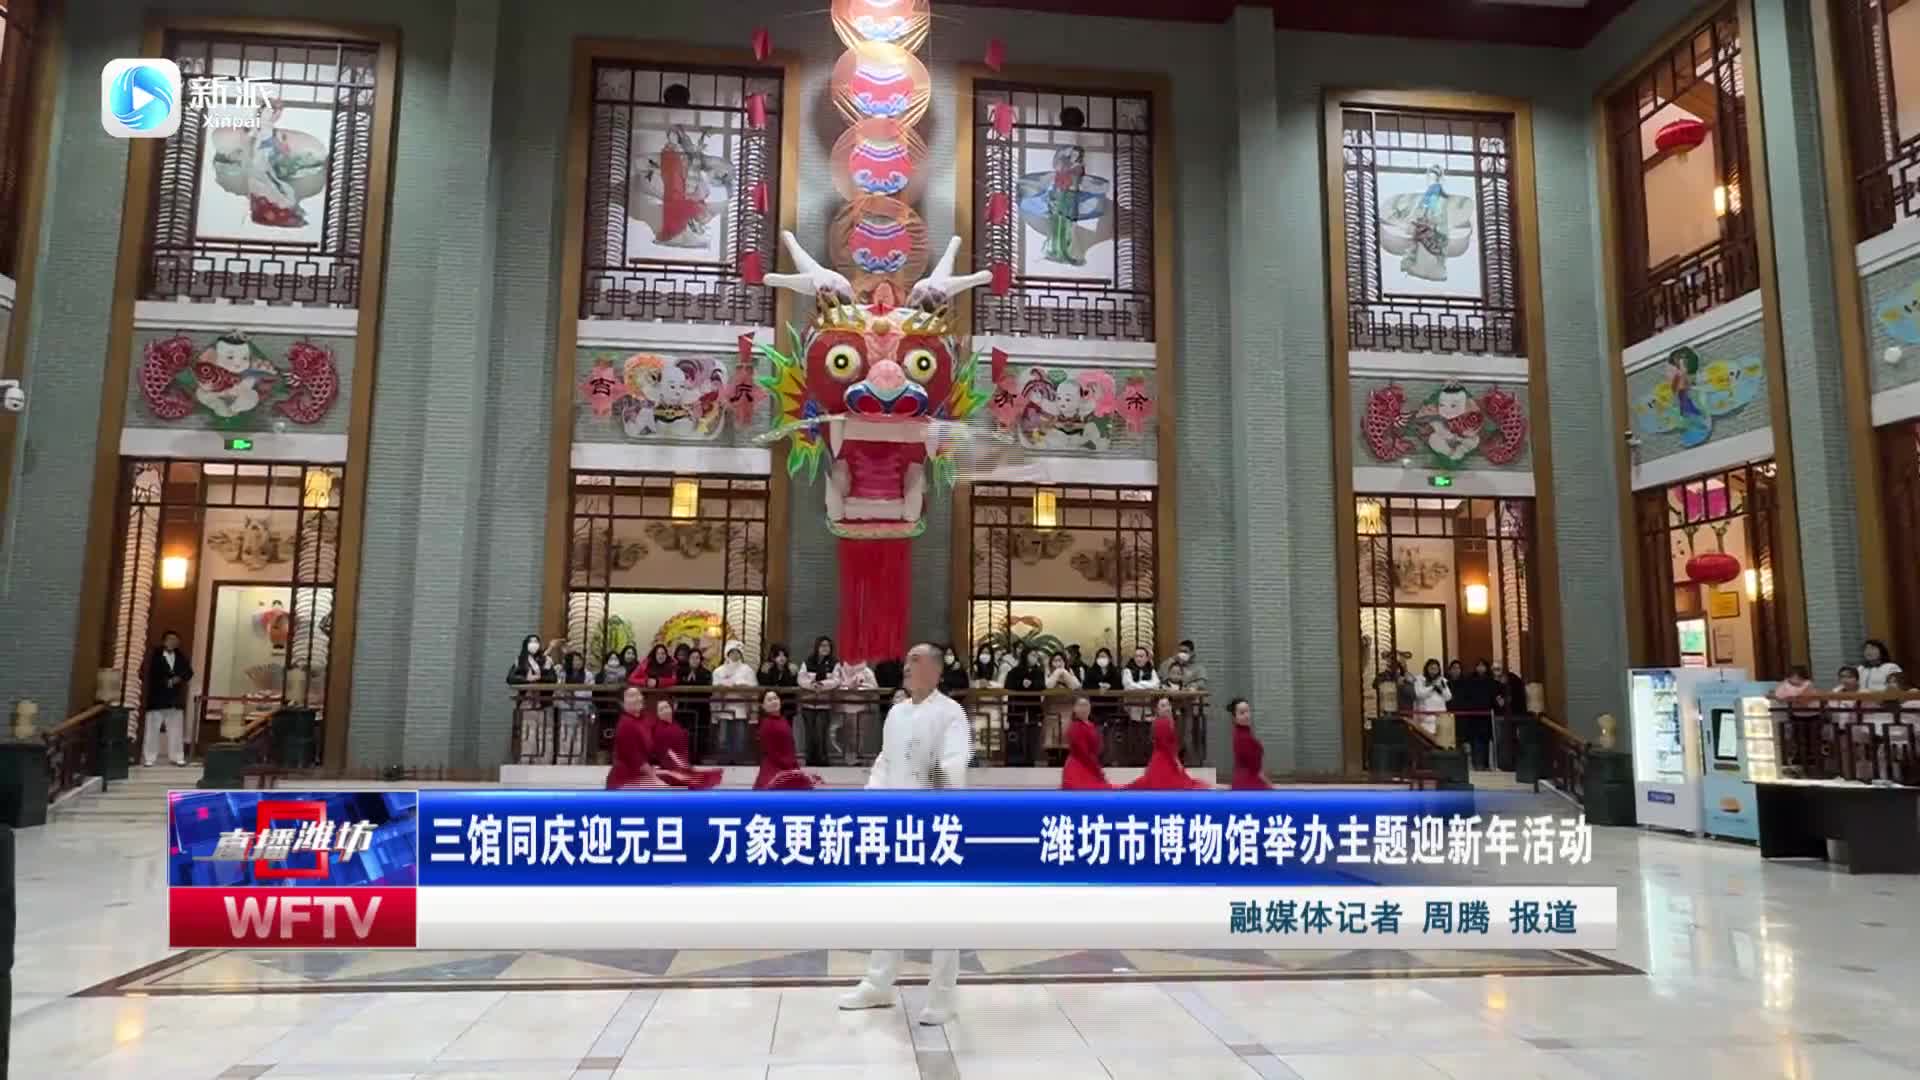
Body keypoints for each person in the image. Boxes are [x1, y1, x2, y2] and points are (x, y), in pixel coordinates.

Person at [840, 643, 972, 1026]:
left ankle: (943, 996)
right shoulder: (896, 713)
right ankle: (878, 984)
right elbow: (885, 762)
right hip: (897, 823)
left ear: (936, 669)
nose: (907, 666)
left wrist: (927, 781)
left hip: (938, 825)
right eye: (907, 660)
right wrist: (873, 800)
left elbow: (955, 766)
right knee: (889, 904)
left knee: (943, 911)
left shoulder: (951, 713)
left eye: (916, 660)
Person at [1127, 699, 1207, 789]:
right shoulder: (1162, 723)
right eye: (1163, 706)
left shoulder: (1165, 721)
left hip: (1163, 757)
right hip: (1164, 759)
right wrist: (1176, 760)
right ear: (1158, 710)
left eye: (1168, 705)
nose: (1167, 708)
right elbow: (1166, 745)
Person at [141, 630, 193, 767]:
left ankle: (177, 756)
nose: (173, 642)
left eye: (176, 640)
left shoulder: (180, 656)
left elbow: (189, 672)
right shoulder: (155, 655)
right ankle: (150, 757)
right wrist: (167, 681)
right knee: (152, 729)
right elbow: (151, 673)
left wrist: (179, 678)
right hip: (157, 698)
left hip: (175, 698)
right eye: (170, 639)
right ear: (164, 641)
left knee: (176, 729)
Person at [753, 690, 820, 789]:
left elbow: (790, 746)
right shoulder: (766, 724)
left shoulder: (783, 720)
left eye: (775, 698)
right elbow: (771, 751)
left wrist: (794, 766)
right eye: (769, 700)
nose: (774, 701)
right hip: (775, 769)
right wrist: (789, 767)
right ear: (763, 705)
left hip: (789, 766)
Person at [650, 698, 722, 788]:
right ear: (658, 714)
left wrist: (687, 765)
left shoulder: (676, 725)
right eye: (661, 709)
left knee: (709, 775)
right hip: (671, 767)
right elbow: (665, 752)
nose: (665, 711)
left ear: (672, 709)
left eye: (666, 707)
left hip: (680, 764)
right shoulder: (658, 729)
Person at [508, 632, 558, 761]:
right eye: (531, 642)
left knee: (545, 734)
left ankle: (544, 761)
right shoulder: (520, 660)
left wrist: (538, 678)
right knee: (528, 733)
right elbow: (510, 678)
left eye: (536, 641)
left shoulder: (546, 660)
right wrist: (527, 679)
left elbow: (553, 679)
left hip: (544, 702)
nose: (534, 644)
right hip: (527, 703)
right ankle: (526, 760)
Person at [712, 641, 758, 763]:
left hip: (741, 709)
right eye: (732, 652)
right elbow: (715, 692)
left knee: (740, 739)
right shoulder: (718, 671)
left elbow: (754, 692)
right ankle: (723, 764)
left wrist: (741, 688)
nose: (734, 654)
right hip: (723, 709)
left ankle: (738, 764)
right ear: (727, 653)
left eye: (737, 652)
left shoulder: (748, 670)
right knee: (722, 740)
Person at [606, 687, 659, 789]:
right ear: (622, 703)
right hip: (624, 782)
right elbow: (636, 759)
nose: (637, 698)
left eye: (639, 694)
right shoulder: (625, 724)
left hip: (640, 779)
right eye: (631, 696)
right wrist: (656, 779)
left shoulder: (646, 719)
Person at [799, 635, 840, 766]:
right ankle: (810, 760)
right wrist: (812, 685)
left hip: (824, 703)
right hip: (808, 702)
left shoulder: (834, 663)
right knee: (810, 733)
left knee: (821, 733)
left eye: (827, 646)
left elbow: (836, 680)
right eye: (822, 645)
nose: (825, 648)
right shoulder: (808, 662)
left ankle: (822, 760)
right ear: (817, 647)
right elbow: (801, 679)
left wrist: (822, 684)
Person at [1003, 647, 1047, 766]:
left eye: (1036, 655)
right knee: (1016, 740)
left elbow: (1042, 686)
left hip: (1033, 711)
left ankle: (1030, 763)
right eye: (1032, 655)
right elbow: (1008, 685)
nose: (1034, 657)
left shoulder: (1039, 672)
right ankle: (1014, 764)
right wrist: (1021, 683)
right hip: (1017, 711)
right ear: (1025, 656)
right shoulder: (1014, 671)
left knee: (1031, 740)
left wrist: (1031, 684)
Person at [1453, 659, 1497, 770]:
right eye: (1478, 665)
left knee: (1486, 741)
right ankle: (1476, 764)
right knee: (1474, 741)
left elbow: (1494, 697)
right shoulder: (1470, 680)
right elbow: (1467, 696)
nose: (1480, 668)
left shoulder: (1491, 681)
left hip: (1487, 716)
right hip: (1473, 716)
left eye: (1483, 666)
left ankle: (1486, 764)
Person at [1060, 696, 1110, 790]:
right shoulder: (1075, 727)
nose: (1083, 708)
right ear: (1074, 708)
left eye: (1086, 705)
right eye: (1080, 705)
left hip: (1091, 764)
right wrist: (1096, 770)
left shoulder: (1091, 725)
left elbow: (1098, 747)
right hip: (1078, 768)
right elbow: (1083, 753)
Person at [556, 651, 595, 764]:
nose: (578, 662)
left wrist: (574, 695)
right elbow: (558, 691)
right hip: (566, 709)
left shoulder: (588, 675)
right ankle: (563, 763)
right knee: (565, 737)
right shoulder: (562, 674)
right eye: (575, 660)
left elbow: (589, 692)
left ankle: (578, 762)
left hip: (582, 709)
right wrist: (567, 700)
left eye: (580, 660)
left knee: (580, 738)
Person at [1043, 652, 1082, 764]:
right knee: (1052, 742)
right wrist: (1057, 673)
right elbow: (1048, 686)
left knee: (1067, 742)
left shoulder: (1069, 672)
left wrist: (1064, 672)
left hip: (1067, 711)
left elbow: (1076, 686)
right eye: (1055, 660)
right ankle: (1052, 761)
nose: (1058, 663)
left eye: (1060, 660)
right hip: (1052, 711)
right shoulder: (1047, 673)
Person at [1229, 698, 1270, 790]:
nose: (1246, 715)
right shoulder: (1243, 737)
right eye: (1242, 713)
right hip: (1248, 783)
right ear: (1234, 718)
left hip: (1246, 781)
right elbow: (1254, 767)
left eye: (1247, 711)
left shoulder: (1242, 733)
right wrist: (1266, 782)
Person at [1413, 659, 1451, 739]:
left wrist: (1441, 689)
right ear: (1426, 668)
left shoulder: (1441, 680)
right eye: (1431, 668)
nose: (1434, 671)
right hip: (1426, 720)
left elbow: (1448, 697)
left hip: (1441, 718)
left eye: (1436, 669)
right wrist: (1433, 686)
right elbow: (1419, 694)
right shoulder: (1420, 679)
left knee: (1441, 742)